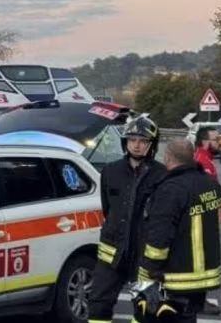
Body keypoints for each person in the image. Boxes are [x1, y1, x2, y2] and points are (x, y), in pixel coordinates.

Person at [87, 115, 168, 323]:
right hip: (112, 252)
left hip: (144, 255)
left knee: (146, 310)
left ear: (152, 145)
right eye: (132, 140)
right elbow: (108, 209)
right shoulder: (110, 171)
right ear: (125, 143)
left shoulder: (162, 175)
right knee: (98, 304)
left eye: (143, 141)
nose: (137, 145)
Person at [133, 138, 221, 322]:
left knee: (153, 316)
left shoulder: (171, 189)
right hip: (204, 276)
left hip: (175, 276)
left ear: (167, 158)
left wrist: (149, 270)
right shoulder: (211, 185)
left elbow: (160, 235)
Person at [192, 126, 221, 316]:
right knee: (202, 262)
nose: (218, 142)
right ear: (205, 142)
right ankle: (198, 302)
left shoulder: (203, 159)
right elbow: (211, 194)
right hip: (202, 221)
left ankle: (198, 300)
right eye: (215, 139)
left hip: (202, 219)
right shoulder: (203, 162)